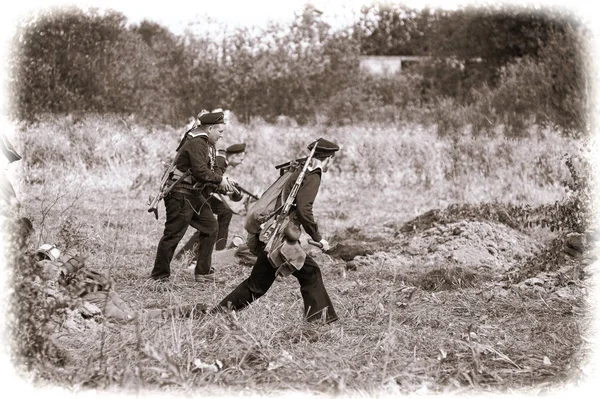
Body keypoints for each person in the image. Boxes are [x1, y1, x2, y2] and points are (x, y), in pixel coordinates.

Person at [161, 138, 340, 324]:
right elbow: (304, 209)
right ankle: (320, 321)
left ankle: (218, 313)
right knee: (309, 273)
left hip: (270, 233)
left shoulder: (296, 170)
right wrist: (318, 237)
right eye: (332, 159)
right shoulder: (313, 175)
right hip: (279, 238)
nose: (331, 163)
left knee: (257, 285)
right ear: (328, 158)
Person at [150, 109, 233, 282]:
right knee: (173, 234)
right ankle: (159, 276)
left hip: (193, 194)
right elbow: (201, 172)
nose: (222, 135)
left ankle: (202, 273)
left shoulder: (208, 144)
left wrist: (222, 179)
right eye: (220, 131)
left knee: (211, 227)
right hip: (180, 194)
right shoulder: (197, 142)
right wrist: (219, 180)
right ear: (210, 129)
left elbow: (212, 168)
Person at [175, 143, 247, 258]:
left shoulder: (221, 160)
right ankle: (184, 255)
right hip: (199, 194)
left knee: (225, 212)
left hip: (204, 192)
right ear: (234, 157)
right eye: (241, 159)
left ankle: (220, 249)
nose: (241, 162)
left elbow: (213, 182)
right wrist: (224, 189)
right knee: (207, 225)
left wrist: (226, 189)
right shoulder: (220, 161)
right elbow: (207, 179)